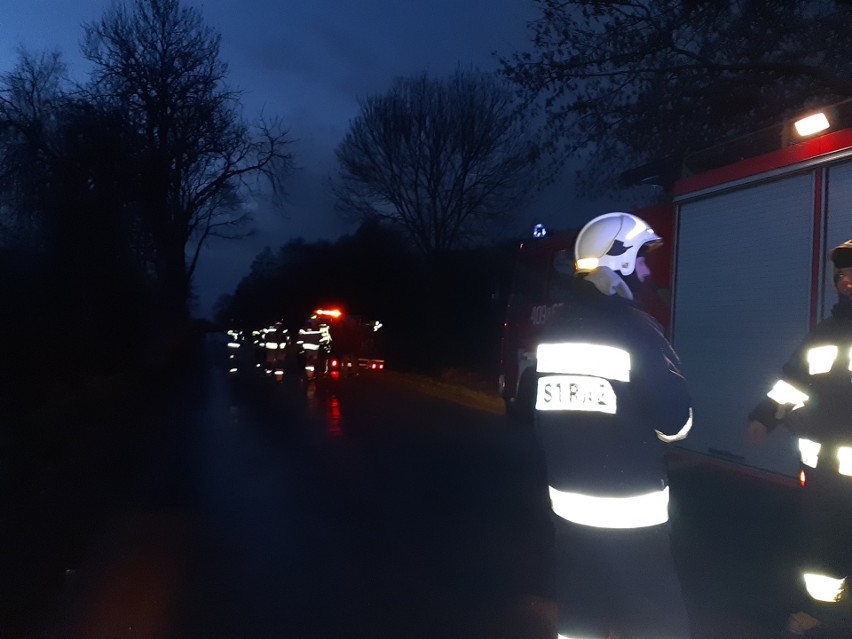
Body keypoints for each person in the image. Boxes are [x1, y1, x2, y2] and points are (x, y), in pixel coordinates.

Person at [535, 211, 693, 639]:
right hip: (632, 512)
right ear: (619, 262)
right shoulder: (638, 329)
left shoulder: (553, 331)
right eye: (642, 260)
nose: (646, 270)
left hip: (568, 508)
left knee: (579, 612)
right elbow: (676, 423)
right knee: (655, 618)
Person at [747, 239, 852, 635]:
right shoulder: (822, 334)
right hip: (823, 470)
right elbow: (791, 382)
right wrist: (764, 417)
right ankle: (822, 613)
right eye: (843, 276)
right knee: (822, 545)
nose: (848, 282)